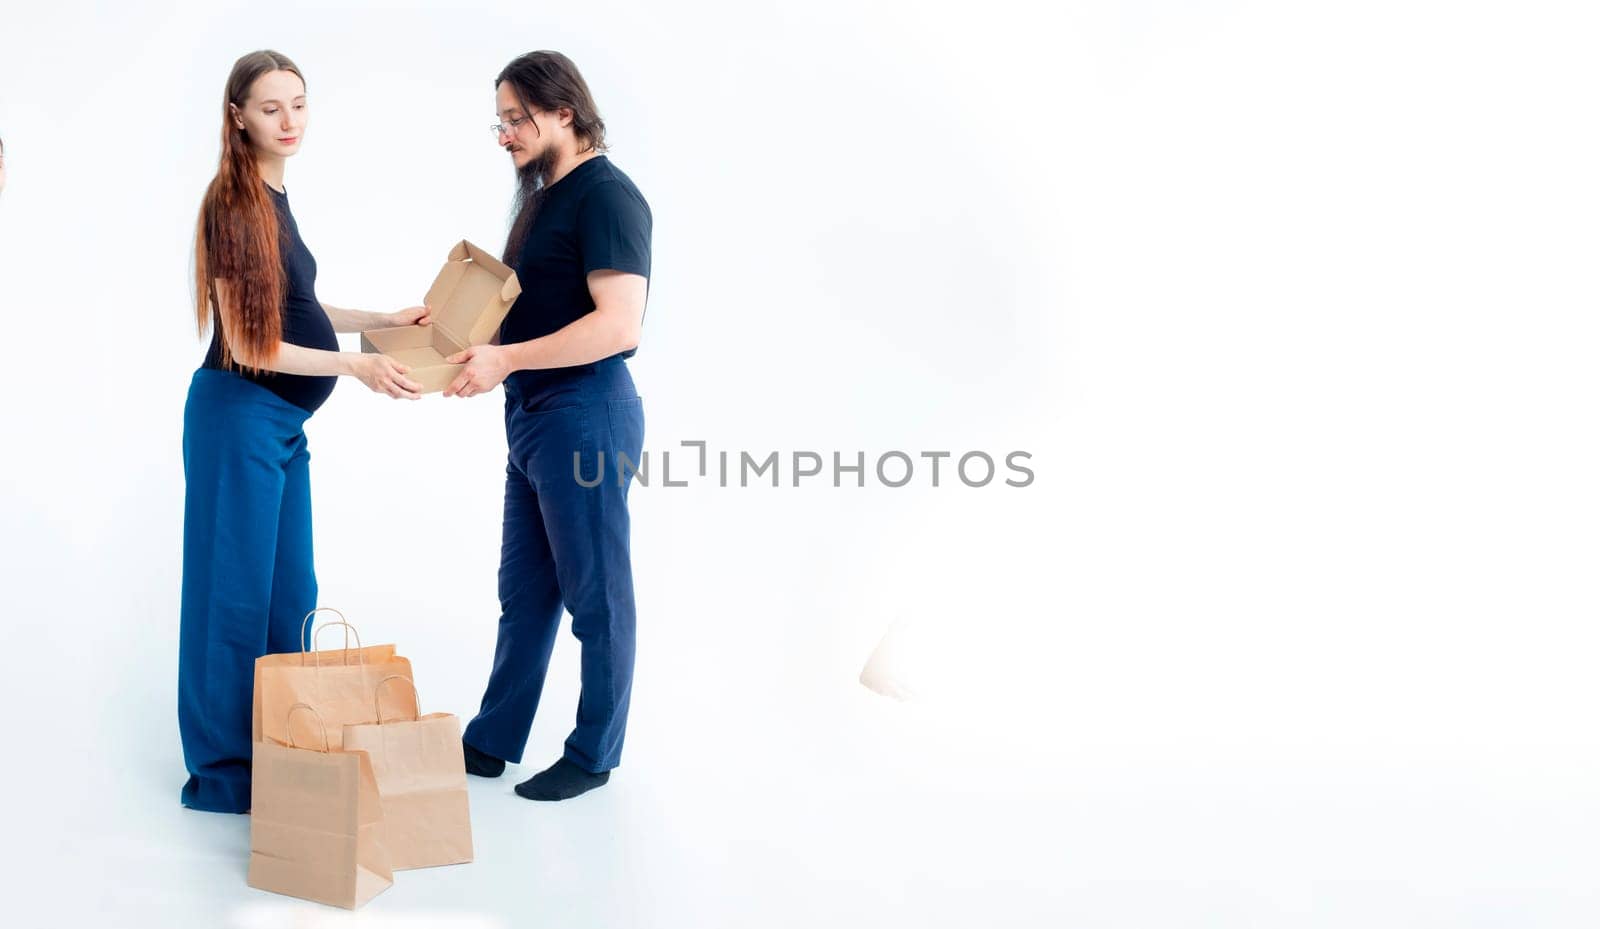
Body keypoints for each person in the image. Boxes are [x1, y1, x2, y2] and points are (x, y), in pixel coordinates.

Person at [178, 49, 428, 813]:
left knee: (292, 596)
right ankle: (224, 780)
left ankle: (282, 757)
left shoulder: (276, 199)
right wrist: (355, 368)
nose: (289, 121)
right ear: (238, 118)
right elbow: (251, 341)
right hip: (237, 415)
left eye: (299, 104)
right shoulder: (232, 201)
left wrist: (381, 320)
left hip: (282, 425)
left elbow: (297, 308)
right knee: (232, 601)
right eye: (270, 108)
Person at [447, 50, 651, 801]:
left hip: (587, 413)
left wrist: (506, 360)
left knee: (596, 596)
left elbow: (619, 325)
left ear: (564, 109)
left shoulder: (608, 197)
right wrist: (465, 345)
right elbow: (524, 308)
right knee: (526, 592)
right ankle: (492, 740)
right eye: (498, 121)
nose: (504, 135)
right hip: (532, 418)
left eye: (516, 118)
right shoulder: (542, 199)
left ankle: (593, 754)